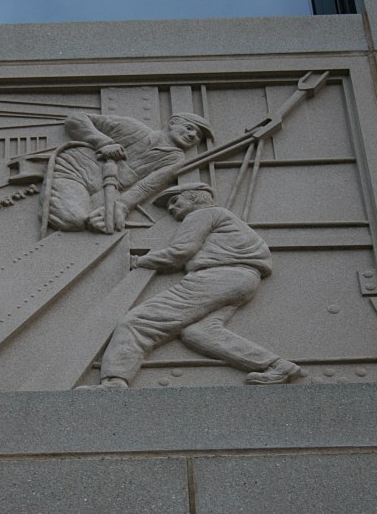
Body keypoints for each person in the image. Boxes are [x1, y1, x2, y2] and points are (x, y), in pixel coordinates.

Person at [82, 182, 302, 389]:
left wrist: (137, 261)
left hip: (216, 277)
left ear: (195, 197)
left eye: (175, 201)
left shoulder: (202, 214)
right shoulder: (226, 218)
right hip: (242, 280)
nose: (171, 208)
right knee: (199, 333)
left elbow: (180, 253)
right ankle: (277, 366)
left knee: (137, 323)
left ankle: (114, 383)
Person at [45, 111, 213, 232]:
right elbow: (76, 118)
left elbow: (145, 188)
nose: (193, 136)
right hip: (75, 171)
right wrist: (102, 142)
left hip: (108, 188)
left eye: (198, 136)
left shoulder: (175, 159)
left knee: (100, 220)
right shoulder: (133, 128)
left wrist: (121, 207)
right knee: (72, 220)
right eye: (190, 128)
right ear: (173, 122)